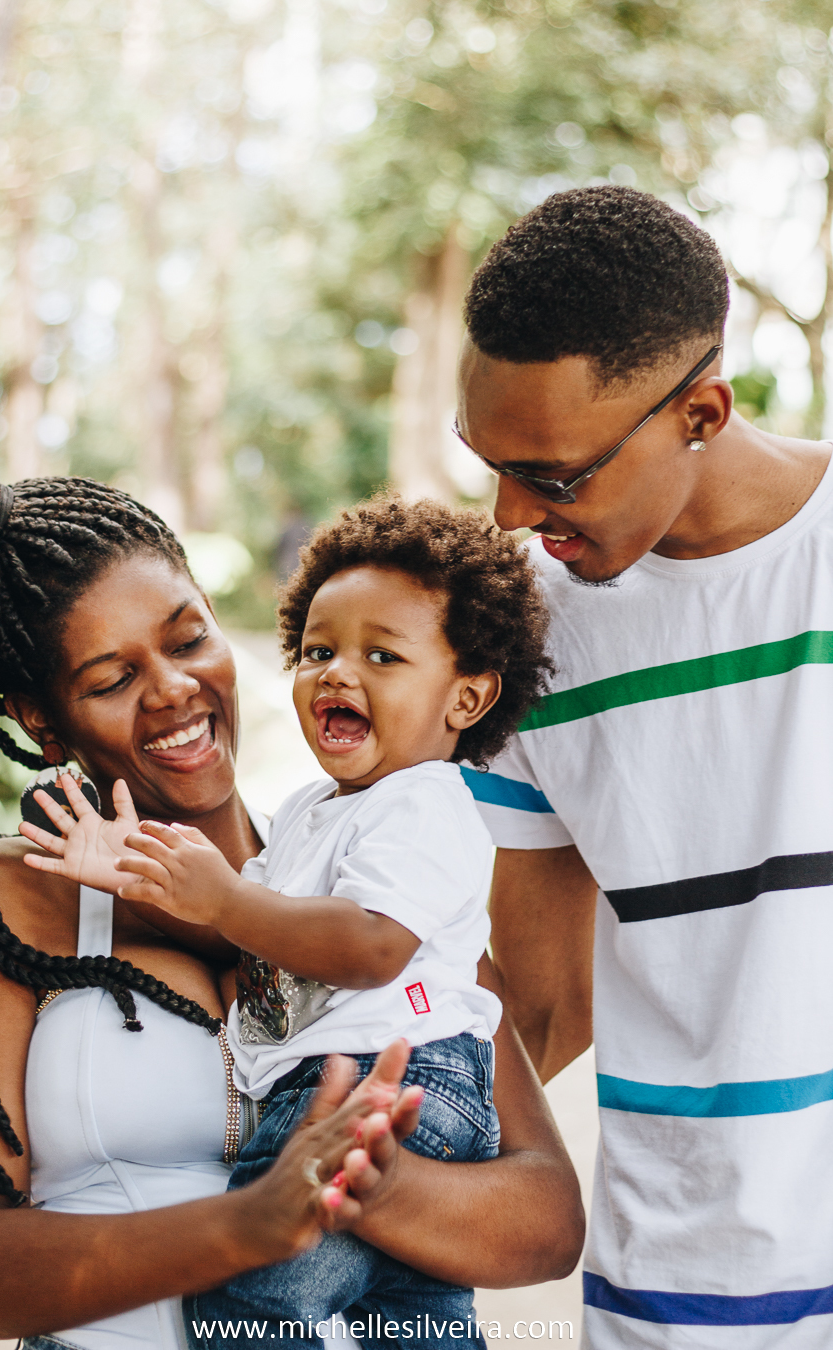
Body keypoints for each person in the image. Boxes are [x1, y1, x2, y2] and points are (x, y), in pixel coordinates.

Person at [0, 464, 584, 1349]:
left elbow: (546, 1222)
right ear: (41, 720)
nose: (173, 689)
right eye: (111, 678)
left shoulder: (375, 873)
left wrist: (371, 1184)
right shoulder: (15, 900)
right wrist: (248, 1224)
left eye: (188, 638)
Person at [455, 183, 833, 1347]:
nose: (509, 513)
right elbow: (543, 1001)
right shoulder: (524, 641)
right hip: (678, 1297)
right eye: (489, 461)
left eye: (553, 474)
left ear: (702, 413)